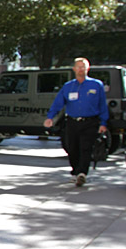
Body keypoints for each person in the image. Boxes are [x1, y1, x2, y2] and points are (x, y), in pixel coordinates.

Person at [43, 57, 109, 187]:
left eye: (83, 66)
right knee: (71, 147)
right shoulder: (68, 86)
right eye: (78, 67)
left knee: (86, 147)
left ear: (87, 68)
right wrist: (50, 117)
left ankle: (82, 173)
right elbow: (58, 103)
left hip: (90, 122)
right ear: (74, 69)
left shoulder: (96, 85)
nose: (81, 69)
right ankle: (75, 171)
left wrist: (103, 123)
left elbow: (102, 105)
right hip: (72, 122)